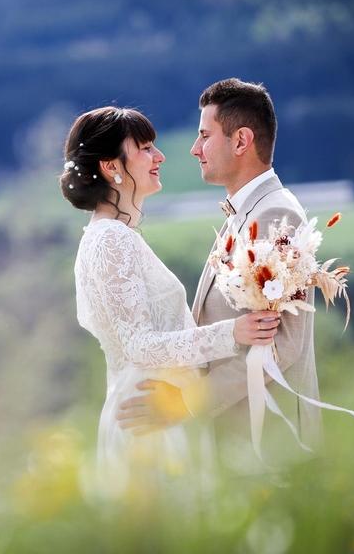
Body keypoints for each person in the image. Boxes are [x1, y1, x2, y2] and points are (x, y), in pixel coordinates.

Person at [60, 105, 280, 496]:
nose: (159, 157)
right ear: (112, 167)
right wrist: (234, 333)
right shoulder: (111, 239)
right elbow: (138, 344)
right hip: (149, 414)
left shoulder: (111, 235)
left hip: (160, 407)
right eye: (145, 148)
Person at [116, 78, 323, 456]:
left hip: (271, 438)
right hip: (237, 435)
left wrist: (187, 401)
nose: (194, 149)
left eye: (204, 135)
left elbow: (282, 345)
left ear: (241, 141)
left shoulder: (276, 213)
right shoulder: (244, 213)